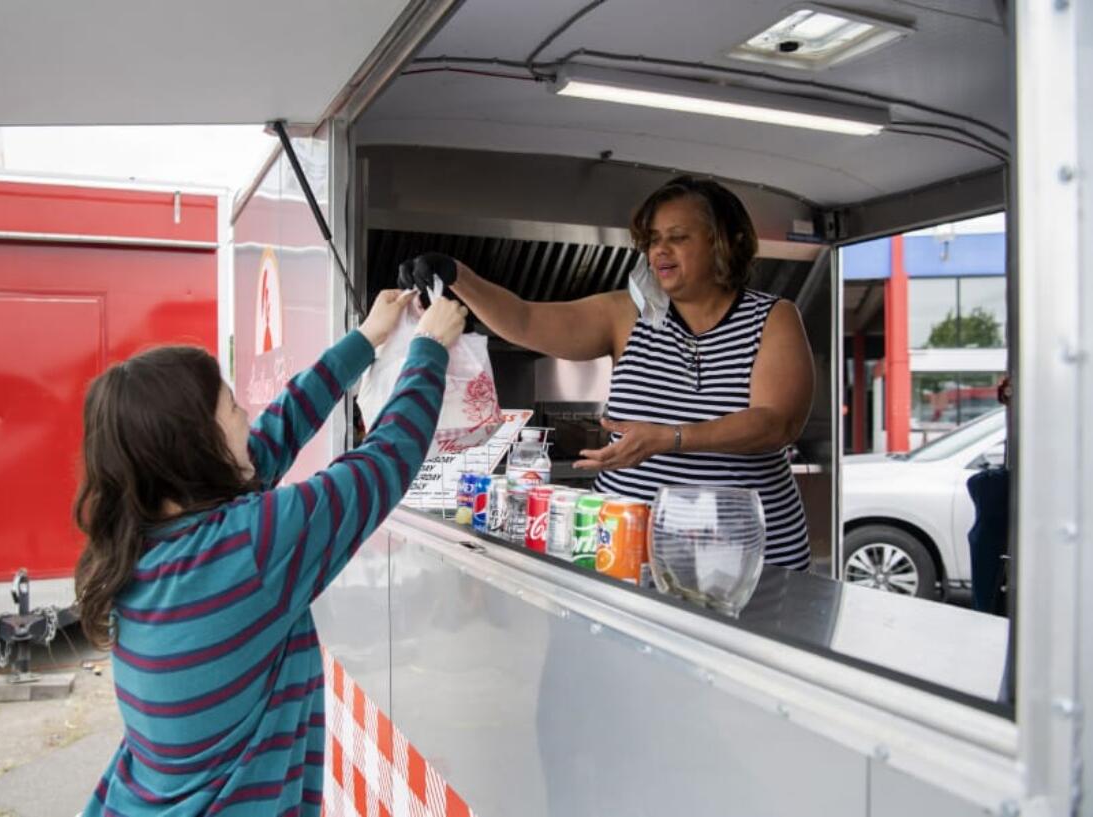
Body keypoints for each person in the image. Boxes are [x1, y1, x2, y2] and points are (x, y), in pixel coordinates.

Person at [74, 291, 468, 816]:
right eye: (234, 408)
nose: (247, 417)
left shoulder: (141, 538)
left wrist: (367, 339)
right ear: (197, 447)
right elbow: (386, 460)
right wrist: (429, 349)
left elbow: (274, 437)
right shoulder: (248, 549)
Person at [400, 176, 814, 569]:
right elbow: (525, 320)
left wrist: (671, 438)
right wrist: (458, 276)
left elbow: (777, 423)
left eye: (678, 237)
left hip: (746, 558)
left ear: (725, 242)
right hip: (628, 549)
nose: (660, 251)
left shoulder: (773, 318)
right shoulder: (624, 314)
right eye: (652, 240)